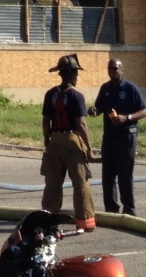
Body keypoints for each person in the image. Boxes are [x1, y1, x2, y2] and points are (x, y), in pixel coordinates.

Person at [41, 54, 96, 230]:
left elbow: (45, 122)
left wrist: (47, 142)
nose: (77, 77)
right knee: (80, 183)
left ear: (60, 74)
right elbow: (81, 123)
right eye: (76, 74)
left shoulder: (50, 94)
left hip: (54, 141)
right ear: (73, 75)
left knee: (52, 185)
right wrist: (89, 148)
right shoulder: (77, 96)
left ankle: (48, 222)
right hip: (72, 141)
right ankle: (85, 222)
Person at [90, 58, 146, 215]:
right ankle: (111, 210)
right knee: (108, 176)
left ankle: (129, 211)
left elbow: (144, 111)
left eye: (115, 69)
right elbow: (99, 107)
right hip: (109, 137)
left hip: (126, 136)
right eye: (110, 69)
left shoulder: (131, 89)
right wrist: (94, 111)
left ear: (122, 70)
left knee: (125, 175)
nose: (112, 72)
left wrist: (126, 118)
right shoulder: (105, 88)